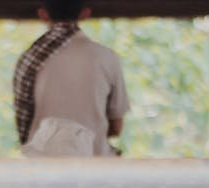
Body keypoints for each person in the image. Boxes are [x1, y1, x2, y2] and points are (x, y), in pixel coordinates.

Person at [13, 0, 130, 157]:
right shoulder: (107, 57)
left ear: (42, 14)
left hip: (42, 166)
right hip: (95, 163)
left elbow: (23, 120)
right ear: (85, 14)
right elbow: (116, 128)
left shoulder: (30, 59)